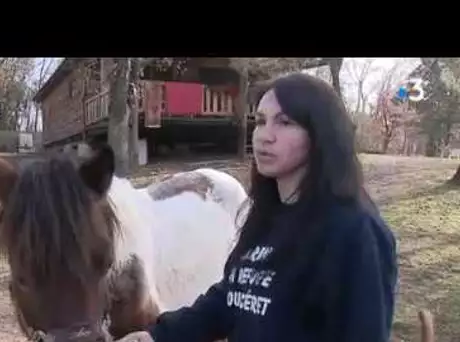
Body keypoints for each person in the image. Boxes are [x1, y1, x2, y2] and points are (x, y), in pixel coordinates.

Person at [116, 73, 398, 342]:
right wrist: (157, 336)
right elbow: (231, 300)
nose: (264, 135)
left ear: (320, 133)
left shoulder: (355, 231)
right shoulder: (265, 219)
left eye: (284, 122)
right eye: (261, 121)